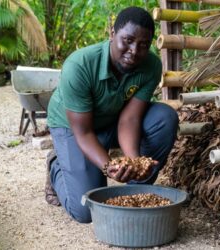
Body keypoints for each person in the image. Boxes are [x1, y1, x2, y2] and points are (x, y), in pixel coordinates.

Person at [45, 6, 179, 223]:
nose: (135, 51)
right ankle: (56, 165)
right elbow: (84, 132)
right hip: (73, 127)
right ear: (112, 34)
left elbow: (130, 118)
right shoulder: (79, 65)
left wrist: (133, 162)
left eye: (143, 44)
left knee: (164, 118)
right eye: (128, 40)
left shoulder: (151, 66)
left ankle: (136, 191)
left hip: (113, 118)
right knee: (86, 210)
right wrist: (109, 166)